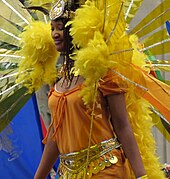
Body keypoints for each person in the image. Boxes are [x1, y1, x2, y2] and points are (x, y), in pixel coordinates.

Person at [34, 13, 148, 179]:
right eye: (52, 28)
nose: (54, 34)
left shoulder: (102, 73)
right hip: (69, 174)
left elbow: (122, 125)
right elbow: (55, 136)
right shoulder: (58, 79)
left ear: (77, 30)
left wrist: (141, 176)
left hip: (105, 170)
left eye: (61, 28)